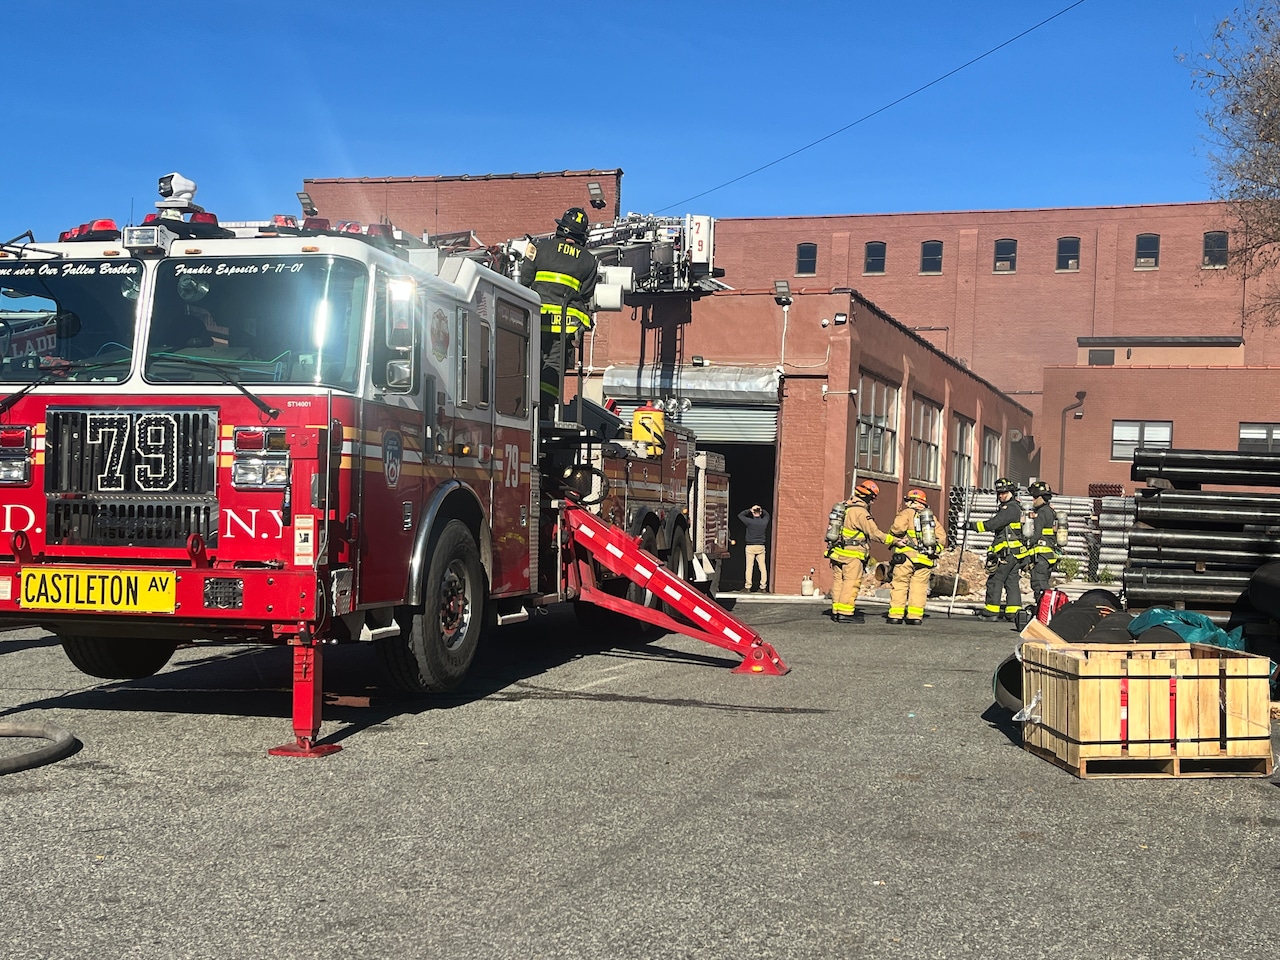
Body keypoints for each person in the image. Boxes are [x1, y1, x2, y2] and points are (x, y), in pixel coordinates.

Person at [518, 207, 598, 417]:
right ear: (581, 235)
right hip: (565, 325)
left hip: (535, 320)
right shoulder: (589, 261)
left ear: (561, 228)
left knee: (530, 362)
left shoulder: (538, 248)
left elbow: (524, 280)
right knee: (554, 365)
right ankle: (544, 409)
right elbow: (586, 293)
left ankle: (524, 403)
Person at [826, 479, 896, 625]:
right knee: (851, 583)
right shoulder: (860, 513)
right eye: (872, 499)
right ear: (869, 497)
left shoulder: (844, 507)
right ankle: (845, 613)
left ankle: (836, 611)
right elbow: (874, 533)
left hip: (837, 552)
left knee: (839, 582)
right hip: (852, 555)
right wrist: (894, 540)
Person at [970, 477, 1028, 621]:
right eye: (999, 493)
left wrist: (973, 526)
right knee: (1011, 581)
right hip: (1015, 554)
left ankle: (991, 612)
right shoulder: (1016, 507)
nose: (1001, 495)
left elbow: (994, 523)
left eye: (1004, 493)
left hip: (1006, 553)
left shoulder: (1010, 508)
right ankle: (1013, 613)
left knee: (995, 580)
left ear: (1011, 492)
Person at [886, 489, 947, 625]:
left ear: (913, 501)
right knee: (919, 587)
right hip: (925, 558)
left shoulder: (906, 513)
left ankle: (896, 615)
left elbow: (897, 529)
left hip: (906, 557)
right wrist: (935, 550)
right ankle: (915, 616)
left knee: (900, 585)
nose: (906, 503)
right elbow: (942, 538)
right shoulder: (931, 518)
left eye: (908, 500)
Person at [1024, 480, 1059, 600]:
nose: (1033, 500)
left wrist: (1025, 544)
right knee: (1043, 583)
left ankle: (1044, 612)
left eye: (1035, 497)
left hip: (1041, 557)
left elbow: (1035, 534)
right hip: (1049, 555)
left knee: (1039, 585)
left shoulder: (1042, 513)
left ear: (1042, 497)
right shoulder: (1050, 511)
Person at [737, 504, 771, 592]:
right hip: (761, 546)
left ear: (753, 512)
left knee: (749, 567)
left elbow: (740, 515)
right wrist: (762, 509)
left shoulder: (749, 522)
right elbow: (767, 515)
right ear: (760, 512)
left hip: (750, 546)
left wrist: (749, 510)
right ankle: (763, 587)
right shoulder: (764, 521)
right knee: (762, 567)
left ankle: (748, 586)